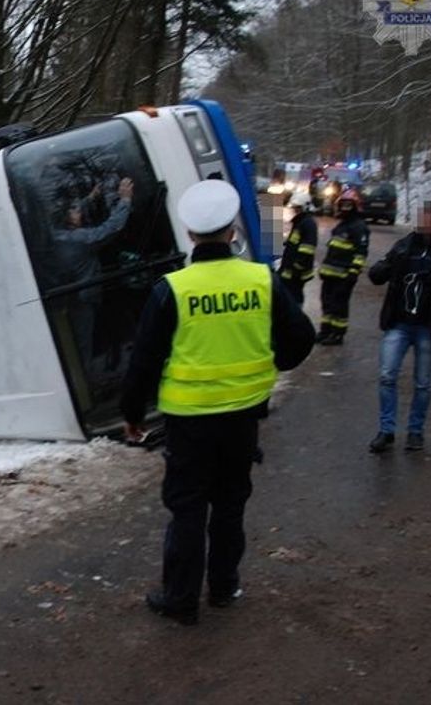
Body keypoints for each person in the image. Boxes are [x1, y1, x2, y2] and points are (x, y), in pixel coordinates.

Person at [120, 179, 315, 626]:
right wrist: (271, 362)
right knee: (229, 506)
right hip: (243, 419)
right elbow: (301, 339)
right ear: (232, 232)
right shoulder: (261, 279)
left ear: (190, 235)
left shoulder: (171, 289)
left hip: (189, 424)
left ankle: (181, 600)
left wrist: (132, 417)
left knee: (188, 508)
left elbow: (143, 363)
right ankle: (225, 588)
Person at [366, 200, 431, 453]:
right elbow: (377, 274)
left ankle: (415, 431)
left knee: (422, 382)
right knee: (387, 375)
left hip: (430, 326)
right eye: (423, 220)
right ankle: (386, 430)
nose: (426, 226)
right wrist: (384, 269)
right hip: (399, 322)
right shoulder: (405, 246)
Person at [52, 174, 134, 381]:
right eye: (75, 211)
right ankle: (88, 382)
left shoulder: (56, 235)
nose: (79, 212)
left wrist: (91, 197)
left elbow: (75, 217)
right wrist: (125, 201)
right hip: (83, 300)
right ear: (67, 218)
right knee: (83, 344)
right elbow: (108, 229)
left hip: (72, 300)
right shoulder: (78, 240)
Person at [316, 187, 369, 345]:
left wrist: (353, 273)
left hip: (344, 276)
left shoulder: (359, 227)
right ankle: (325, 331)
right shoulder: (341, 226)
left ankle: (338, 334)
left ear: (355, 206)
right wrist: (323, 270)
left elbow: (361, 253)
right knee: (327, 303)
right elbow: (333, 251)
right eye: (343, 204)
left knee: (339, 306)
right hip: (330, 275)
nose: (345, 208)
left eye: (348, 205)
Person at [278, 190, 319, 304]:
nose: (295, 210)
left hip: (296, 272)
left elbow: (308, 248)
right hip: (291, 270)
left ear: (305, 207)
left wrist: (297, 266)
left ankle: (295, 316)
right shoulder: (301, 222)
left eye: (298, 207)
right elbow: (295, 242)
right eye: (295, 207)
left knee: (294, 297)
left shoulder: (308, 223)